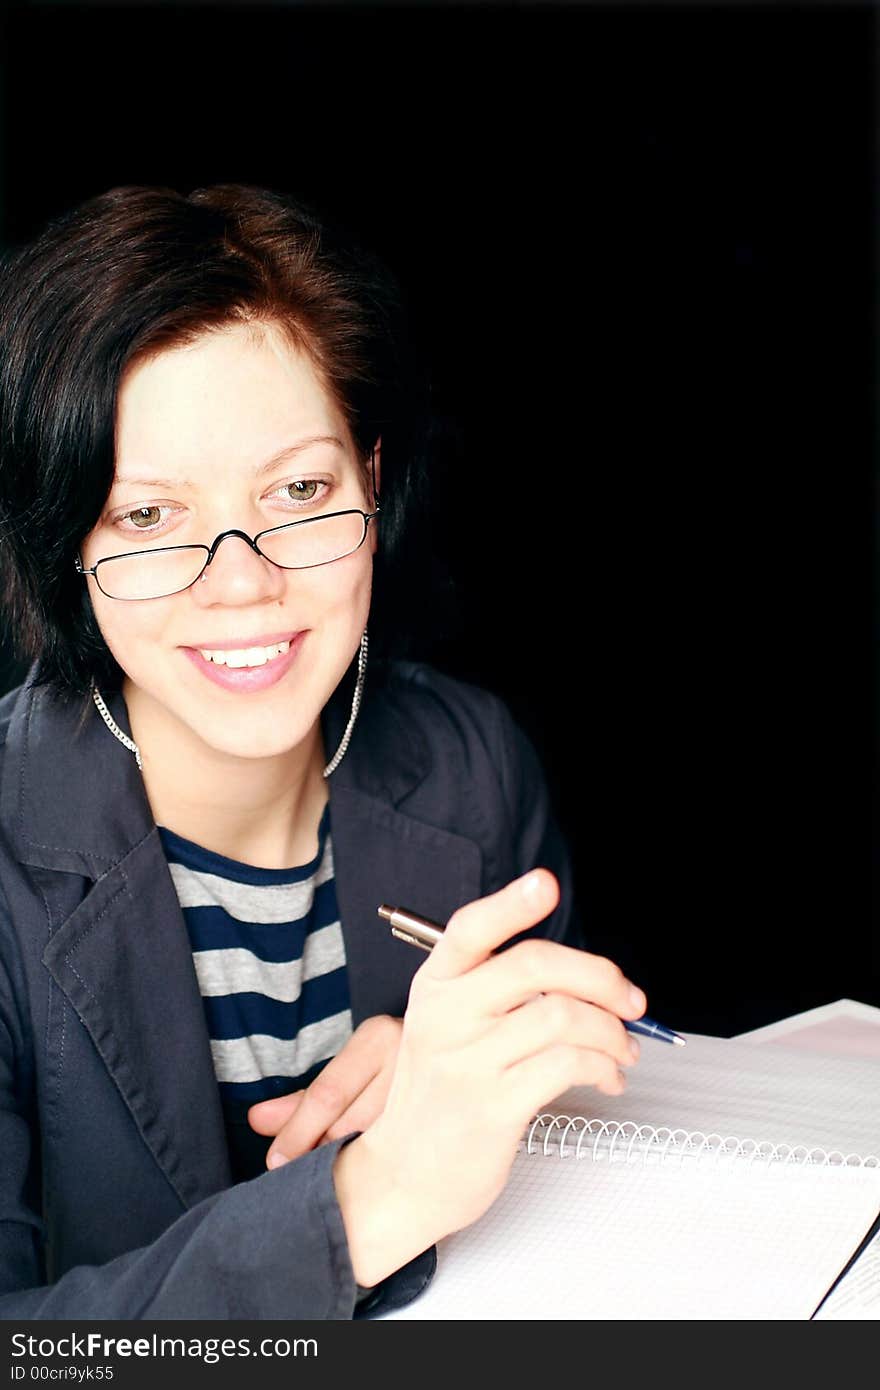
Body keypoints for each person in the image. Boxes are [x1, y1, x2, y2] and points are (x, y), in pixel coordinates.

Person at [0, 184, 646, 1319]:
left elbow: (599, 1120)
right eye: (150, 517)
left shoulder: (470, 765)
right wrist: (375, 1191)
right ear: (68, 548)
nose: (241, 582)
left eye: (299, 491)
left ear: (373, 481)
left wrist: (490, 1093)